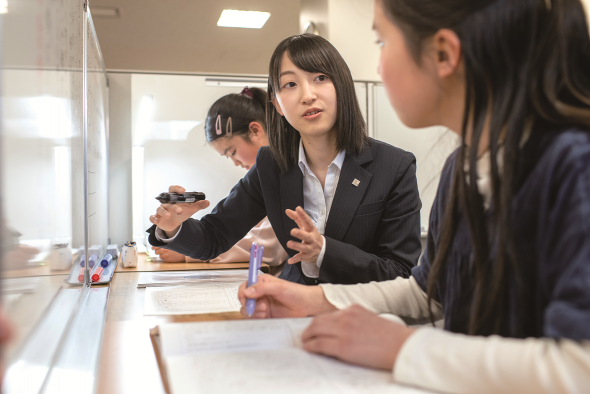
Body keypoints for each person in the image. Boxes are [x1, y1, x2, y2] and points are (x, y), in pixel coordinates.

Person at [236, 0, 590, 392]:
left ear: (442, 54)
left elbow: (579, 366)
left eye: (382, 42)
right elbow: (429, 293)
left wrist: (404, 347)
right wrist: (317, 301)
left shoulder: (573, 163)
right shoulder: (464, 167)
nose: (377, 66)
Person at [147, 34, 422, 285]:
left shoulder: (395, 166)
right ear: (277, 104)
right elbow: (214, 237)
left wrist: (324, 251)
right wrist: (173, 228)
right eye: (290, 84)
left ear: (342, 85)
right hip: (292, 309)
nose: (307, 95)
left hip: (361, 319)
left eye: (321, 78)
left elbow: (400, 272)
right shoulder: (271, 164)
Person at [152, 87, 288, 276]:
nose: (235, 163)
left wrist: (187, 255)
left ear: (255, 130)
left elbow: (269, 247)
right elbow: (218, 233)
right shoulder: (258, 180)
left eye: (232, 152)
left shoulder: (288, 170)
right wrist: (175, 229)